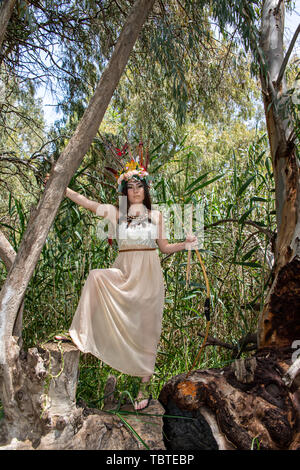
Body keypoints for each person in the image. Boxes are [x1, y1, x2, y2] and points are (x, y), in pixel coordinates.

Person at [44, 159, 197, 410]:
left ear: (146, 190)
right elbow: (89, 203)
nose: (135, 191)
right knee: (96, 276)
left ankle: (144, 387)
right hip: (124, 271)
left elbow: (165, 247)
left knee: (147, 330)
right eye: (130, 187)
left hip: (148, 276)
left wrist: (186, 244)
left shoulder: (156, 216)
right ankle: (80, 335)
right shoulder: (118, 214)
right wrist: (63, 188)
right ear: (124, 192)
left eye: (139, 187)